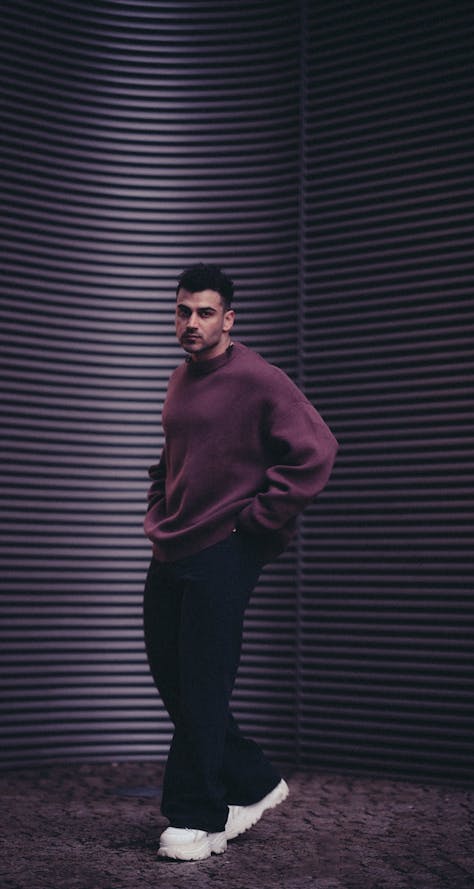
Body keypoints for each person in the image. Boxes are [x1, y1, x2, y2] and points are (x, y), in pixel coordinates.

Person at [143, 263, 338, 861]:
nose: (191, 322)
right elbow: (171, 459)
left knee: (203, 682)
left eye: (204, 312)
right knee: (172, 676)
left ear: (228, 318)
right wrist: (159, 503)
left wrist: (253, 523)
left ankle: (197, 816)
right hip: (174, 544)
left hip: (223, 548)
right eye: (183, 311)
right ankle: (252, 779)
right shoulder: (180, 379)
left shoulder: (259, 378)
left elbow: (317, 449)